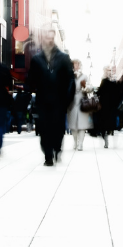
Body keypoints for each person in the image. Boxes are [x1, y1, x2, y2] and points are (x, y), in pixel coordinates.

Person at [26, 27, 75, 166]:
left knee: (58, 128)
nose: (50, 40)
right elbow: (31, 79)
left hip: (59, 100)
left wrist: (68, 98)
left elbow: (70, 79)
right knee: (44, 128)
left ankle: (57, 148)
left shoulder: (63, 58)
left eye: (52, 38)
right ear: (43, 39)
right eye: (48, 37)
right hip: (43, 100)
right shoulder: (37, 59)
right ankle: (48, 155)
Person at [67, 59, 93, 151]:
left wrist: (86, 88)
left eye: (77, 64)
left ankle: (81, 143)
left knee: (82, 125)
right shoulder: (69, 75)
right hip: (72, 102)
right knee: (73, 125)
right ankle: (75, 141)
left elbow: (90, 87)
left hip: (83, 103)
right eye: (74, 64)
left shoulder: (84, 76)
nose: (76, 66)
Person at [93, 66, 120, 148]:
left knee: (110, 123)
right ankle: (106, 138)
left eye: (109, 70)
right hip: (104, 105)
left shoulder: (112, 80)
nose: (109, 71)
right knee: (104, 123)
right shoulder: (104, 80)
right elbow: (100, 91)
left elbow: (116, 91)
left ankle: (107, 136)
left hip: (111, 105)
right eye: (107, 70)